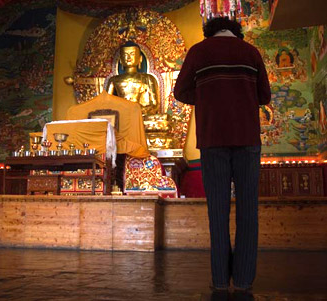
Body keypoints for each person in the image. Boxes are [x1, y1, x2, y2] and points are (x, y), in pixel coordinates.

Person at [173, 17, 271, 291]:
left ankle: (219, 280)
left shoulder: (199, 51)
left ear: (209, 32)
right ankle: (242, 280)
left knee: (218, 211)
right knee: (248, 210)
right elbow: (265, 96)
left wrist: (207, 95)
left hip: (212, 139)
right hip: (247, 139)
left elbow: (180, 91)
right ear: (236, 32)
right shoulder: (251, 52)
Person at [106, 41, 160, 117]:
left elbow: (154, 105)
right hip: (121, 115)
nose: (128, 57)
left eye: (132, 54)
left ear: (140, 59)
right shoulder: (113, 80)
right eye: (125, 54)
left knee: (163, 119)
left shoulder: (148, 78)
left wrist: (138, 110)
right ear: (121, 60)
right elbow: (107, 103)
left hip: (141, 115)